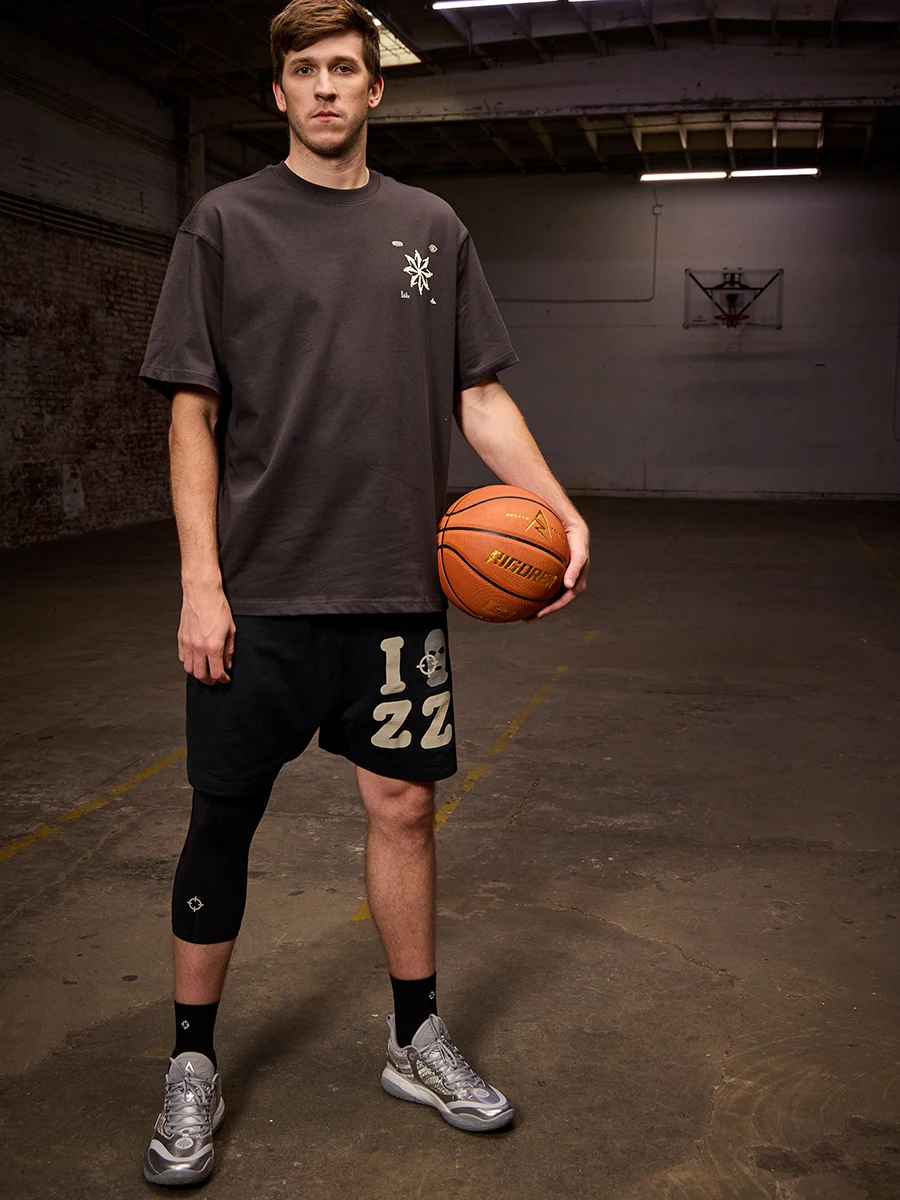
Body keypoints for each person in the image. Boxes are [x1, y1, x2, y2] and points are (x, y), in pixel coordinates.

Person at [138, 0, 589, 1185]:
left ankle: (414, 1038)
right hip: (261, 590)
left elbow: (477, 393)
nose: (328, 87)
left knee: (404, 810)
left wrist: (557, 507)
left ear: (377, 88)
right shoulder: (224, 224)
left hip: (396, 589)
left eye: (347, 67)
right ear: (279, 91)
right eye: (307, 70)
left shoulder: (429, 226)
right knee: (223, 818)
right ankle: (192, 1059)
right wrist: (200, 583)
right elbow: (191, 413)